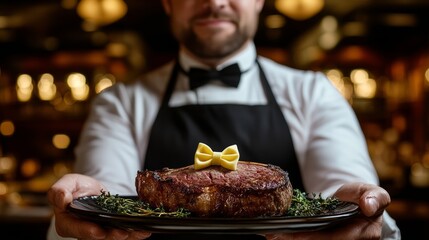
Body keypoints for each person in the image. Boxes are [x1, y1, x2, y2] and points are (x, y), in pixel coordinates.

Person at [47, 0, 401, 239]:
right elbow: (109, 196)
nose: (214, 1)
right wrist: (87, 210)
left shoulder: (314, 93)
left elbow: (341, 191)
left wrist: (356, 209)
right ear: (167, 3)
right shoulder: (120, 103)